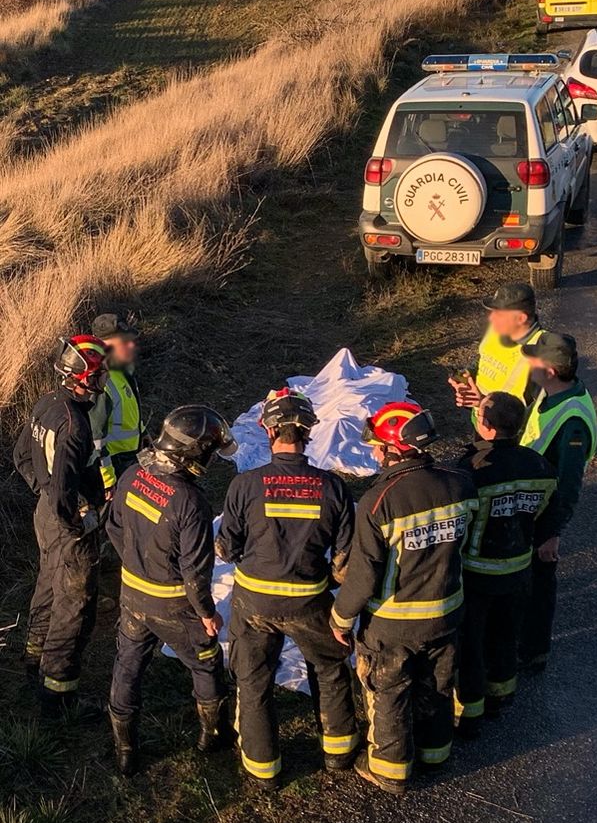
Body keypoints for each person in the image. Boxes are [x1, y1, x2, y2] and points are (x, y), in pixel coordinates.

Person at [330, 402, 478, 796]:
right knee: (437, 684)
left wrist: (341, 618)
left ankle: (390, 769)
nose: (375, 452)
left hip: (392, 623)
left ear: (394, 448)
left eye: (378, 444)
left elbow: (364, 575)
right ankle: (435, 752)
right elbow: (469, 545)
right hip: (447, 611)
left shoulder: (380, 501)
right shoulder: (461, 483)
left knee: (389, 690)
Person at [216, 389, 358, 792]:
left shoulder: (245, 485)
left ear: (267, 428)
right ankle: (339, 752)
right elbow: (345, 557)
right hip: (310, 599)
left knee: (254, 679)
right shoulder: (332, 488)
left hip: (252, 602)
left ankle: (263, 770)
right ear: (309, 431)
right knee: (330, 670)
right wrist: (329, 582)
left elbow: (226, 547)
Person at [106, 405, 237, 776]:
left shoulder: (132, 475)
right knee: (206, 660)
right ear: (193, 454)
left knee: (128, 665)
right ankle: (213, 736)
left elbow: (114, 528)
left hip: (131, 595)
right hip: (175, 604)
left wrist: (136, 562)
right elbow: (196, 572)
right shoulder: (191, 502)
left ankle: (125, 750)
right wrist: (207, 614)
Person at [13, 335, 109, 716]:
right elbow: (65, 486)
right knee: (75, 603)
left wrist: (45, 494)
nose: (101, 384)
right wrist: (78, 520)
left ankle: (33, 657)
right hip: (67, 523)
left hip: (45, 515)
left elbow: (21, 455)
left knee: (47, 585)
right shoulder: (75, 426)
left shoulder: (46, 404)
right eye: (97, 377)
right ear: (80, 377)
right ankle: (58, 692)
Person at [455, 392, 557, 737]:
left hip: (477, 572)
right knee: (505, 635)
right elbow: (544, 514)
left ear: (485, 426)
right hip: (518, 569)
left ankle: (470, 713)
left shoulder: (472, 471)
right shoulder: (539, 465)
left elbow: (461, 522)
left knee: (472, 641)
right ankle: (502, 696)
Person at [518, 333, 597, 672]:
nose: (527, 363)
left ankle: (534, 653)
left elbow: (568, 486)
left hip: (542, 516)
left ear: (549, 370)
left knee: (539, 585)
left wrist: (552, 532)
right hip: (529, 506)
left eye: (534, 359)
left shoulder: (573, 422)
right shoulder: (552, 393)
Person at [449, 282, 544, 421]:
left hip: (507, 434)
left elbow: (529, 416)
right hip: (482, 420)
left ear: (521, 318)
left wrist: (483, 403)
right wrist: (468, 374)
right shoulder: (499, 329)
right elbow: (485, 356)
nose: (491, 318)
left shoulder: (541, 354)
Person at [90, 312, 144, 493]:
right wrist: (108, 482)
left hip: (131, 460)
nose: (131, 345)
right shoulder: (99, 382)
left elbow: (128, 412)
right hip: (114, 469)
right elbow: (96, 439)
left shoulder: (122, 370)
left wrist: (146, 438)